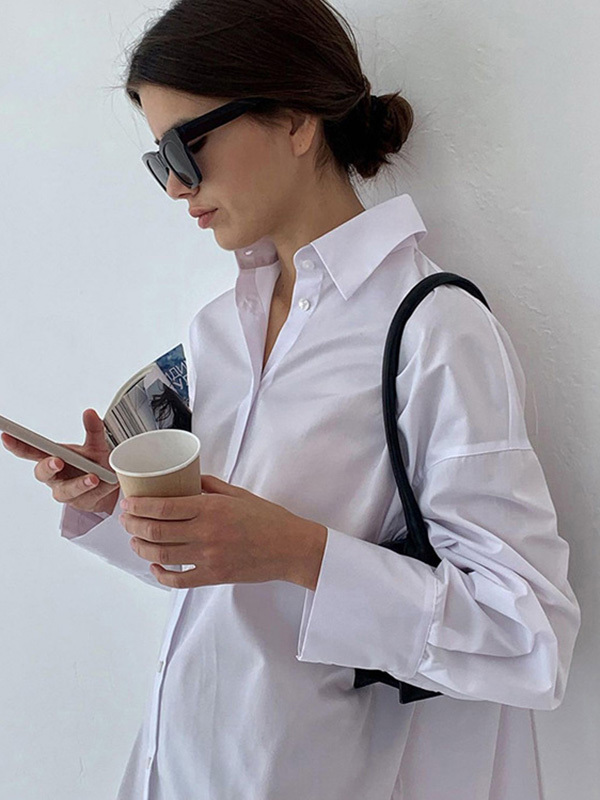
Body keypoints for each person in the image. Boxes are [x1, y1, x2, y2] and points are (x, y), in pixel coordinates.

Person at [2, 0, 581, 798]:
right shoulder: (216, 331)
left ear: (296, 120)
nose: (175, 185)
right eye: (157, 159)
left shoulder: (433, 329)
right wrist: (118, 501)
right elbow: (230, 586)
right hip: (183, 767)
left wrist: (300, 550)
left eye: (185, 146)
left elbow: (530, 636)